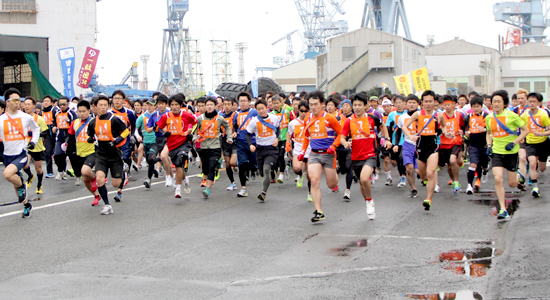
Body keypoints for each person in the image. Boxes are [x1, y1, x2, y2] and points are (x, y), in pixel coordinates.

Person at [340, 93, 392, 220]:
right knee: (362, 185)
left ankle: (369, 202)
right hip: (356, 156)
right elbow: (342, 136)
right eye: (355, 105)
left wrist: (387, 139)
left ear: (365, 106)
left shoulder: (372, 118)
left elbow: (382, 126)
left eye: (360, 105)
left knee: (364, 179)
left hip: (370, 154)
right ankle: (368, 200)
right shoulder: (349, 121)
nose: (357, 107)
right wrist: (345, 143)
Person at [299, 91, 342, 222]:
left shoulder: (329, 118)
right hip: (314, 154)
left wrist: (333, 146)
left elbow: (341, 134)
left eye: (316, 104)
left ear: (322, 104)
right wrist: (302, 151)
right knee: (314, 180)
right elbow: (307, 137)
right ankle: (319, 211)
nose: (313, 107)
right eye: (311, 104)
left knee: (331, 184)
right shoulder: (308, 119)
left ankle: (336, 174)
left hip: (329, 154)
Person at [485, 90, 528, 219]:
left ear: (504, 103)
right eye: (494, 102)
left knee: (512, 184)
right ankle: (503, 209)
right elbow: (488, 132)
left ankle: (519, 174)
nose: (496, 104)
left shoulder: (512, 116)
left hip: (511, 152)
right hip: (497, 152)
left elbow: (525, 130)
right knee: (498, 179)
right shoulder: (489, 117)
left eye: (499, 101)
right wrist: (489, 145)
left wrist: (515, 142)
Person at [1, 88, 40, 218]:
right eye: (15, 100)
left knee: (7, 174)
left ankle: (23, 185)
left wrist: (33, 142)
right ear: (7, 102)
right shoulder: (1, 119)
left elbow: (36, 129)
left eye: (20, 100)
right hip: (7, 155)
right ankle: (26, 205)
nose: (18, 103)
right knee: (15, 185)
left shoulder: (25, 117)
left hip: (21, 153)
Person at [87, 95, 130, 214]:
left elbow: (126, 130)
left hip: (114, 154)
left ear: (108, 106)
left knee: (116, 184)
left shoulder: (114, 119)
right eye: (100, 105)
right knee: (100, 179)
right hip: (101, 154)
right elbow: (89, 135)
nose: (103, 107)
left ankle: (123, 175)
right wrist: (90, 139)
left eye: (105, 105)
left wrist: (118, 139)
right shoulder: (93, 121)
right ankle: (107, 205)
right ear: (95, 107)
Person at [403, 90, 441, 211]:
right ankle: (425, 181)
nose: (428, 104)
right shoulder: (417, 115)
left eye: (431, 101)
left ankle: (428, 199)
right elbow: (404, 126)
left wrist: (447, 133)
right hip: (420, 146)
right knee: (423, 175)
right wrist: (411, 136)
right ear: (422, 103)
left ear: (435, 102)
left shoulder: (439, 115)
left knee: (431, 173)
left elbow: (443, 127)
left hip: (433, 146)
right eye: (426, 101)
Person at [156, 96, 197, 198]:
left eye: (176, 105)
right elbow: (158, 128)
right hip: (172, 144)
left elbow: (196, 123)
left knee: (180, 161)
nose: (174, 107)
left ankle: (178, 189)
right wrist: (164, 133)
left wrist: (191, 133)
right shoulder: (166, 116)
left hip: (184, 143)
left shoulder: (187, 115)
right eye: (172, 105)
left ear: (180, 105)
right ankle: (185, 180)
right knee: (178, 165)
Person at [194, 97, 232, 198]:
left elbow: (227, 127)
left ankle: (208, 189)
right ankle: (211, 173)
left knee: (211, 167)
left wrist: (229, 137)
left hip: (216, 146)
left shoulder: (219, 118)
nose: (209, 107)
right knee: (205, 168)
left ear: (215, 106)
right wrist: (194, 138)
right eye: (207, 105)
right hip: (204, 146)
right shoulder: (200, 118)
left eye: (211, 105)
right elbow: (195, 129)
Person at [245, 99, 281, 201]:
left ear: (267, 108)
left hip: (271, 148)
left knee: (266, 170)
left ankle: (263, 193)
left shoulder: (274, 118)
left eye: (263, 108)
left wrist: (277, 138)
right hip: (260, 149)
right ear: (256, 110)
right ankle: (272, 172)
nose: (261, 111)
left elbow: (278, 128)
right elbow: (247, 134)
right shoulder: (254, 121)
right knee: (262, 173)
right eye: (259, 109)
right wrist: (250, 145)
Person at [67, 99, 100, 205]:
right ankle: (96, 195)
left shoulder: (94, 122)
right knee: (85, 179)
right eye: (79, 111)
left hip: (92, 152)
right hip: (79, 153)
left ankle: (94, 178)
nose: (81, 113)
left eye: (83, 111)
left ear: (89, 111)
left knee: (85, 172)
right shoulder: (74, 123)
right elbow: (71, 137)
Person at [520, 92, 550, 198]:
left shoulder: (543, 114)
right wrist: (522, 137)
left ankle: (539, 171)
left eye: (534, 101)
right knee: (532, 163)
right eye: (530, 101)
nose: (532, 103)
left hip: (543, 143)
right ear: (527, 102)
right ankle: (535, 187)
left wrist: (541, 133)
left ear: (538, 103)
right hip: (530, 143)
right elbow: (520, 128)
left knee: (542, 167)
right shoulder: (524, 115)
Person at [110, 90, 137, 201]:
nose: (117, 100)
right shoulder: (109, 113)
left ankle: (119, 192)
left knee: (124, 160)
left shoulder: (129, 113)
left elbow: (133, 125)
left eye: (119, 98)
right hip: (112, 142)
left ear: (123, 100)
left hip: (125, 141)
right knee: (115, 165)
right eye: (115, 98)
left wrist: (132, 137)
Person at [232, 91, 259, 197]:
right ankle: (243, 188)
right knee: (242, 164)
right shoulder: (237, 114)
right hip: (241, 142)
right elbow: (235, 125)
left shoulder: (254, 112)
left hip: (253, 142)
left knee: (252, 162)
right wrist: (234, 132)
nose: (242, 103)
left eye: (244, 101)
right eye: (241, 101)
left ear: (249, 101)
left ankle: (254, 168)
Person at [438, 95, 465, 194]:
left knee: (453, 161)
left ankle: (457, 181)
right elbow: (438, 128)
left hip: (456, 141)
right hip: (444, 143)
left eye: (449, 104)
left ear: (453, 105)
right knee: (449, 166)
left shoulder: (459, 115)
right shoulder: (440, 116)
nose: (447, 107)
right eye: (445, 105)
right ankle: (453, 181)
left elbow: (463, 125)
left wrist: (462, 131)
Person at [463, 96, 490, 194]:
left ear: (482, 106)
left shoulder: (486, 116)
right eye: (474, 106)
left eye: (478, 106)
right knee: (473, 164)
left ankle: (485, 170)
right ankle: (469, 185)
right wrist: (465, 133)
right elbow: (463, 128)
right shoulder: (468, 117)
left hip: (484, 145)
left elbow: (492, 130)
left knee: (484, 164)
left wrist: (485, 130)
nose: (476, 108)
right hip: (473, 144)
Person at [21, 97, 48, 194]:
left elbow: (45, 133)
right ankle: (30, 176)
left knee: (39, 169)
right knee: (25, 164)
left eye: (29, 104)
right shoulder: (21, 117)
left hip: (37, 147)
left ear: (33, 106)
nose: (26, 106)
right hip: (26, 146)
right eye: (25, 104)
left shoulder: (39, 119)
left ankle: (39, 184)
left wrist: (35, 134)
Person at [287, 100, 312, 201]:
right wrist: (288, 144)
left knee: (310, 175)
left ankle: (310, 193)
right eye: (302, 111)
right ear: (298, 111)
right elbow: (289, 134)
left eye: (306, 111)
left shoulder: (311, 121)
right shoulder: (293, 123)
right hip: (298, 149)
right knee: (296, 168)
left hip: (310, 150)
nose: (304, 113)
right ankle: (300, 174)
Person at [147, 94, 173, 187]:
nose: (160, 105)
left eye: (163, 103)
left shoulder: (170, 114)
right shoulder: (154, 115)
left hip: (168, 139)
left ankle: (167, 177)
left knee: (163, 156)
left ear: (166, 104)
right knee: (150, 158)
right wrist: (155, 127)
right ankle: (171, 176)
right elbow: (148, 129)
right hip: (157, 139)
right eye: (159, 104)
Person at [397, 95, 420, 198]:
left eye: (414, 102)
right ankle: (413, 188)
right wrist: (396, 144)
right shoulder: (402, 118)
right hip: (407, 144)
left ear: (418, 104)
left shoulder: (422, 116)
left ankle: (424, 178)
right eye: (409, 102)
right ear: (406, 104)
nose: (411, 104)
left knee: (419, 171)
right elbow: (398, 132)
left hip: (420, 145)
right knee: (409, 169)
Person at [52, 96, 78, 180]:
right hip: (60, 137)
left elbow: (76, 125)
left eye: (64, 104)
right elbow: (53, 122)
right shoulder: (56, 112)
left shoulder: (72, 113)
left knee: (72, 158)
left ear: (68, 104)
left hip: (70, 138)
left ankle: (77, 175)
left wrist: (68, 121)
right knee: (57, 155)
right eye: (60, 104)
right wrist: (54, 127)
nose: (62, 106)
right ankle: (61, 171)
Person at [136, 98, 158, 188]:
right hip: (146, 141)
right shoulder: (142, 117)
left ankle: (148, 179)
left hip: (155, 141)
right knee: (150, 161)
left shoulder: (158, 116)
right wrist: (138, 136)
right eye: (148, 105)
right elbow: (136, 129)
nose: (149, 107)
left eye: (151, 105)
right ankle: (158, 164)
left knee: (151, 158)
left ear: (155, 106)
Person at [386, 95, 407, 188]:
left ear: (404, 104)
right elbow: (388, 128)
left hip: (406, 140)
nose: (399, 104)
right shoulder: (392, 115)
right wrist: (388, 139)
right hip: (395, 140)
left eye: (400, 102)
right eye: (397, 103)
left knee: (401, 158)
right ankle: (401, 174)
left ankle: (403, 176)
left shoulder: (408, 114)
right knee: (394, 161)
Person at [269, 95, 291, 184]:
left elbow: (291, 123)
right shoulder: (270, 115)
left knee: (281, 155)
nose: (276, 105)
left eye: (277, 103)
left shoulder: (286, 112)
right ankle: (275, 174)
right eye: (274, 103)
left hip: (284, 138)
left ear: (281, 103)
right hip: (274, 139)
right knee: (275, 157)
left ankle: (281, 175)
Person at [335, 99, 354, 200]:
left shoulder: (355, 118)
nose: (345, 107)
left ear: (351, 107)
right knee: (343, 169)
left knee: (348, 166)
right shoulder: (338, 118)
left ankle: (347, 190)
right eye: (344, 105)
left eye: (347, 105)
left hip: (351, 144)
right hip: (340, 145)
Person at [221, 98, 238, 191]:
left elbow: (238, 126)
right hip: (225, 141)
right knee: (228, 165)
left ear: (232, 105)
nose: (226, 106)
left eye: (228, 104)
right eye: (225, 104)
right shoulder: (221, 116)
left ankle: (243, 163)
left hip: (234, 142)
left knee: (233, 163)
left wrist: (236, 132)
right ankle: (232, 183)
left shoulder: (236, 115)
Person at [380, 99, 394, 185]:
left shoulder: (394, 115)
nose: (386, 108)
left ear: (391, 106)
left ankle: (402, 175)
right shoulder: (380, 116)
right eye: (384, 107)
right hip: (384, 139)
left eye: (388, 106)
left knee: (394, 161)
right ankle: (389, 177)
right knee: (386, 159)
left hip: (394, 138)